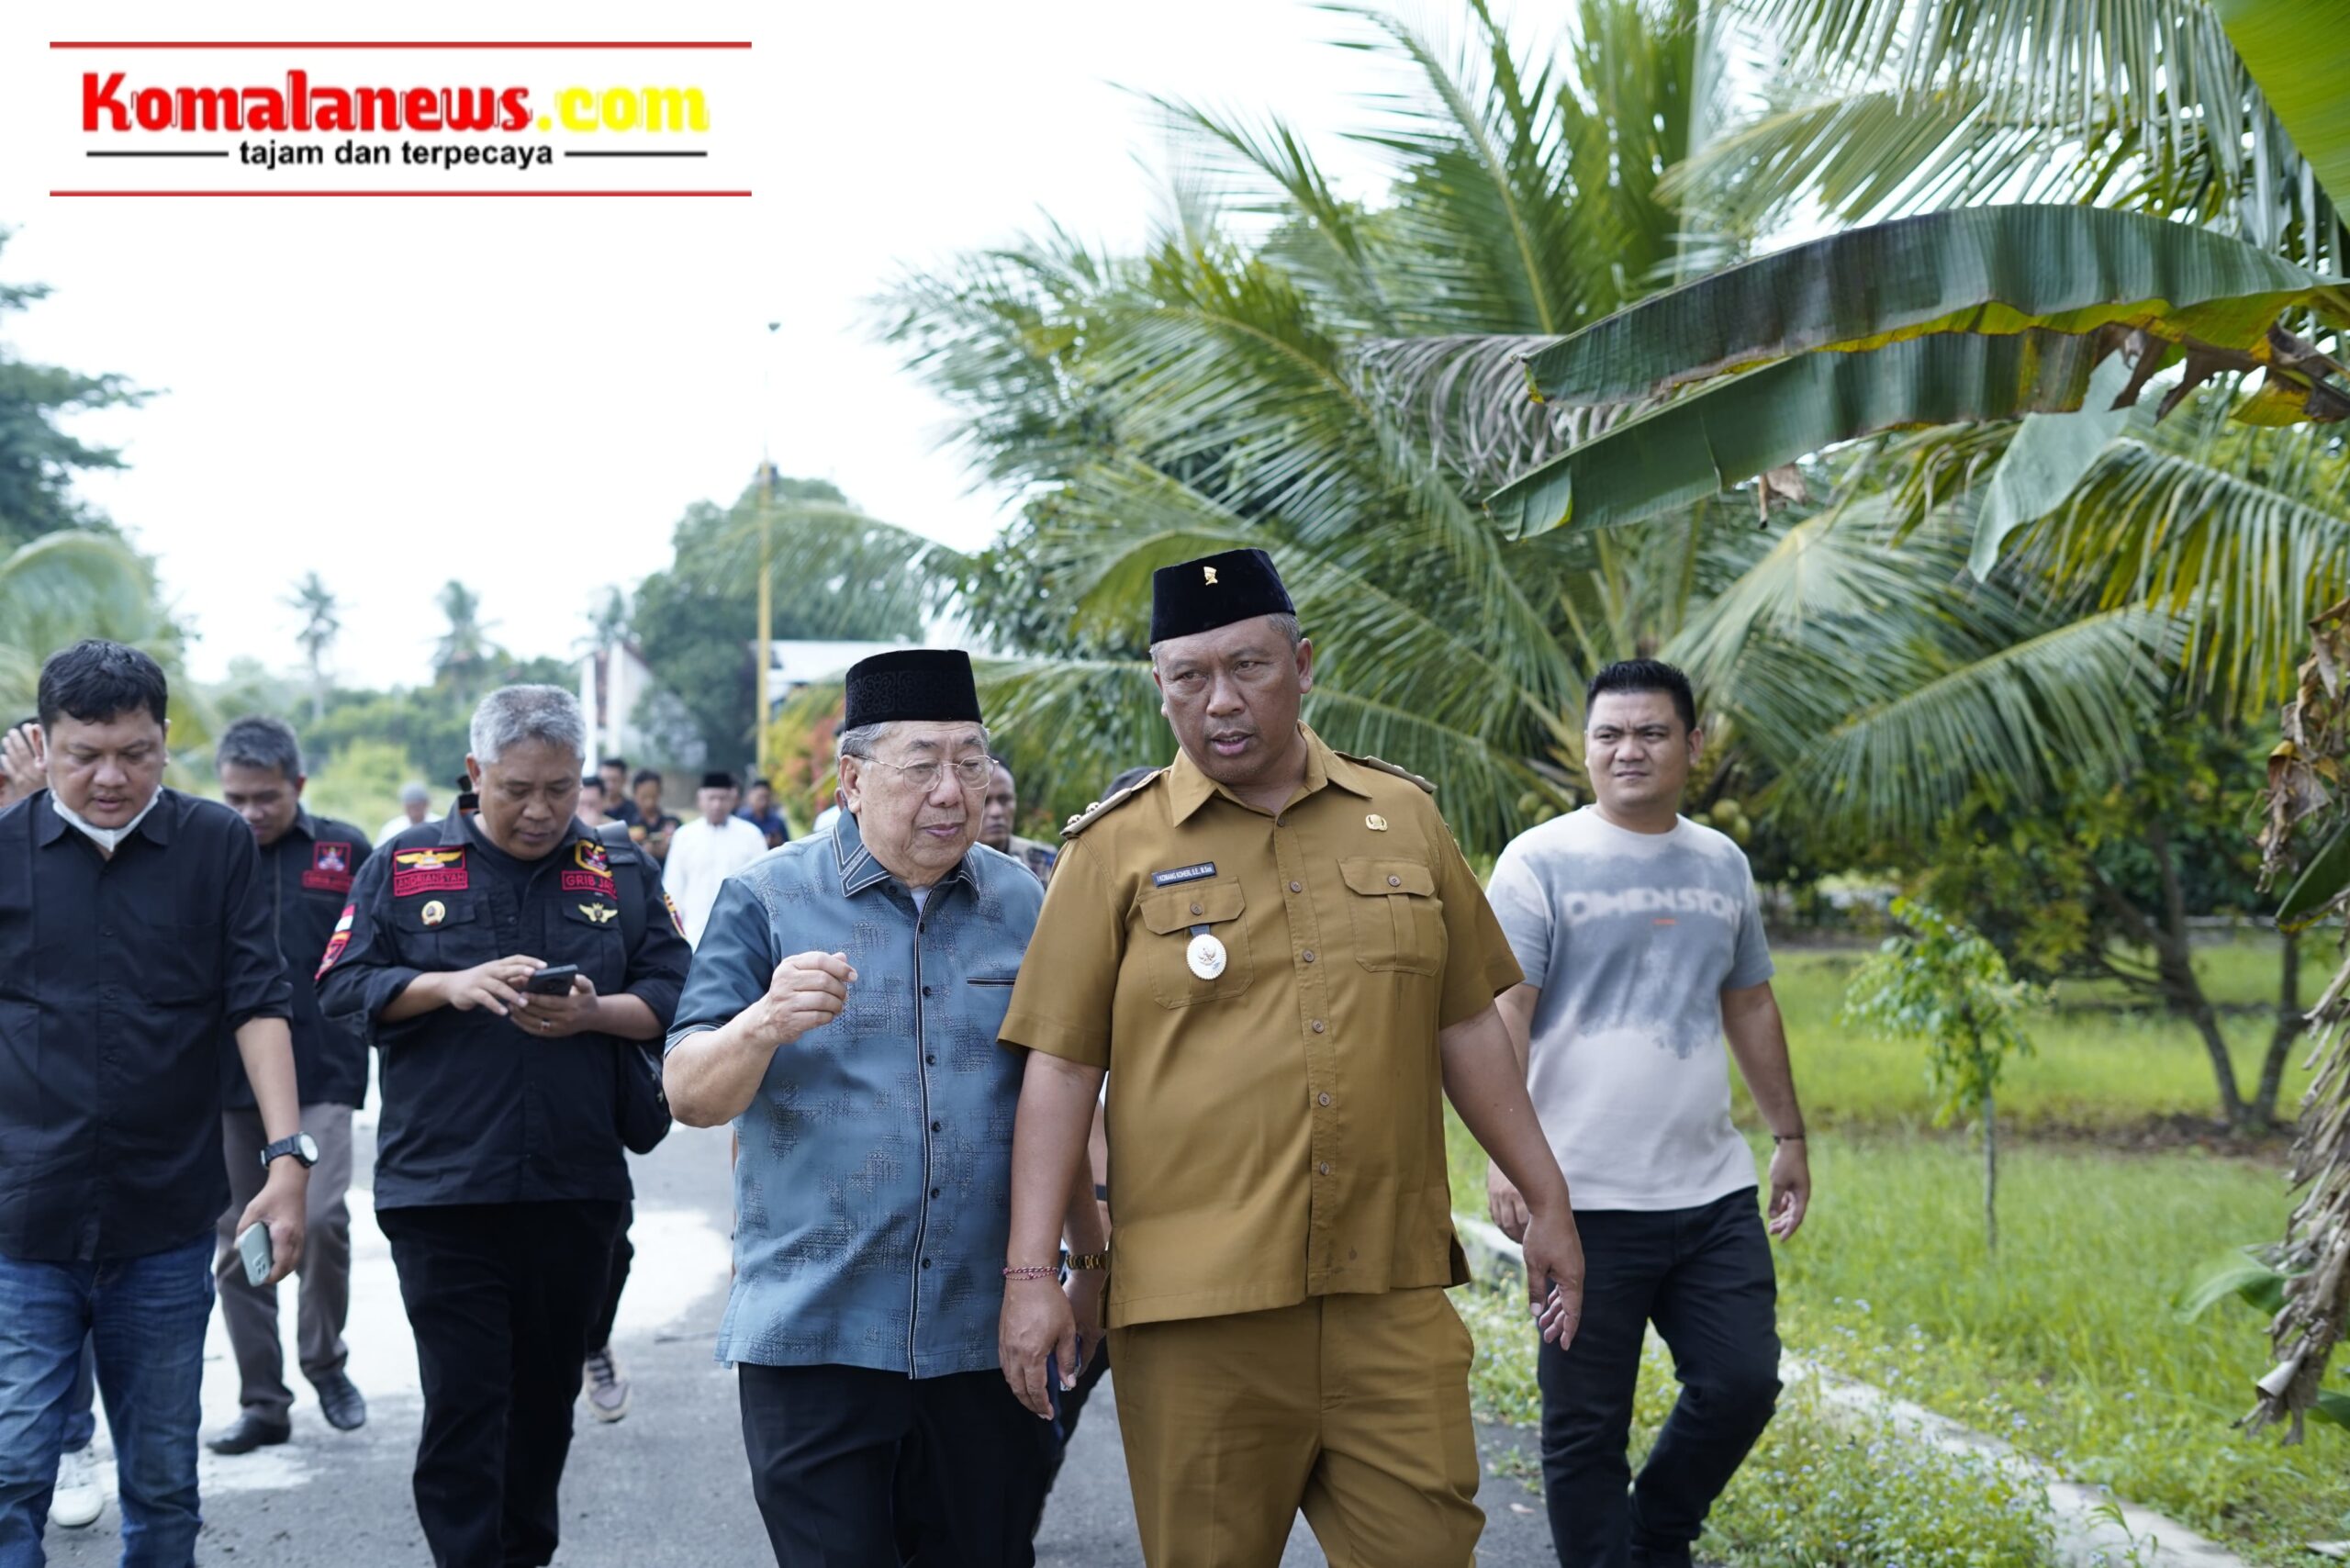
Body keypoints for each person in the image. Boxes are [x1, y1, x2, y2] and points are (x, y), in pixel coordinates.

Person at [995, 549, 1583, 1568]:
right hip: (1196, 1317)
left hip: (1388, 1298)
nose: (1220, 700)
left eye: (1249, 666)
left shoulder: (1403, 816)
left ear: (1302, 665)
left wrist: (1548, 1195)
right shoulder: (1113, 850)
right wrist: (1032, 1273)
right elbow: (1060, 1069)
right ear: (1160, 687)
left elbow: (1463, 1026)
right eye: (1189, 676)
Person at [666, 649, 1103, 1568]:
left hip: (982, 1336)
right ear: (853, 779)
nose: (953, 791)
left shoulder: (1022, 901)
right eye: (922, 764)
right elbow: (689, 1092)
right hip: (814, 1335)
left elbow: (1054, 1093)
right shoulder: (765, 899)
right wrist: (761, 1024)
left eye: (972, 762)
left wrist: (1087, 1262)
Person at [318, 685, 690, 1568]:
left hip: (574, 1183)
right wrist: (443, 986)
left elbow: (681, 992)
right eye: (517, 789)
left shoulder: (619, 868)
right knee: (464, 1401)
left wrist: (597, 1014)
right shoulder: (405, 864)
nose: (540, 811)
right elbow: (339, 987)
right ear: (475, 772)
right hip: (442, 1191)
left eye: (560, 789)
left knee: (544, 1404)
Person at [1482, 659, 1811, 1568]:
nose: (1628, 750)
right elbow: (1504, 1013)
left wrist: (1788, 1135)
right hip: (1576, 1200)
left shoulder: (1721, 862)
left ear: (1691, 745)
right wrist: (1506, 1158)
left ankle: (1656, 1536)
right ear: (1587, 748)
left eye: (1651, 732)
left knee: (1743, 1381)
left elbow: (1749, 1001)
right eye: (1610, 734)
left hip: (1710, 1193)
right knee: (1585, 1423)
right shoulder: (1536, 861)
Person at [0, 640, 310, 1568]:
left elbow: (257, 1000)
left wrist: (287, 1159)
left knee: (164, 1483)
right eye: (83, 754)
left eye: (135, 753)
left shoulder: (215, 844)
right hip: (21, 1224)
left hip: (164, 1222)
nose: (110, 777)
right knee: (12, 1472)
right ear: (43, 742)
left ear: (166, 741)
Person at [205, 718, 375, 1456]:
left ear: (297, 786)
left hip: (322, 1072)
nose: (250, 813)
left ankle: (325, 1362)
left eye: (265, 798)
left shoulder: (345, 852)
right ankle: (263, 1401)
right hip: (225, 1078)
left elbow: (373, 949)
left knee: (325, 1217)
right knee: (239, 1236)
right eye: (236, 798)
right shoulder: (204, 850)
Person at [664, 771, 771, 947]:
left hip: (740, 936)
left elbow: (763, 887)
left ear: (733, 799)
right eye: (711, 798)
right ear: (700, 799)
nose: (717, 804)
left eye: (723, 798)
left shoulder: (751, 835)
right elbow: (673, 889)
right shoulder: (684, 836)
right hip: (693, 935)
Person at [979, 758, 1058, 885]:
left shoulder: (1044, 861)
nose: (996, 812)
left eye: (1005, 799)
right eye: (984, 801)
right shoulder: (951, 865)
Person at [629, 768, 678, 864]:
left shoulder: (673, 823)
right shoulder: (627, 825)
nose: (649, 802)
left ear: (660, 793)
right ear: (634, 795)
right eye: (644, 797)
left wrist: (671, 850)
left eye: (654, 796)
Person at [736, 777, 793, 848]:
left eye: (766, 798)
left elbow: (788, 847)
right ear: (750, 796)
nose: (763, 802)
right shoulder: (741, 819)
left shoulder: (777, 821)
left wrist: (779, 842)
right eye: (760, 798)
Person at [376, 780, 435, 847]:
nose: (414, 813)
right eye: (410, 808)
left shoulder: (438, 826)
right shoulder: (391, 829)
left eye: (416, 807)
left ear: (426, 804)